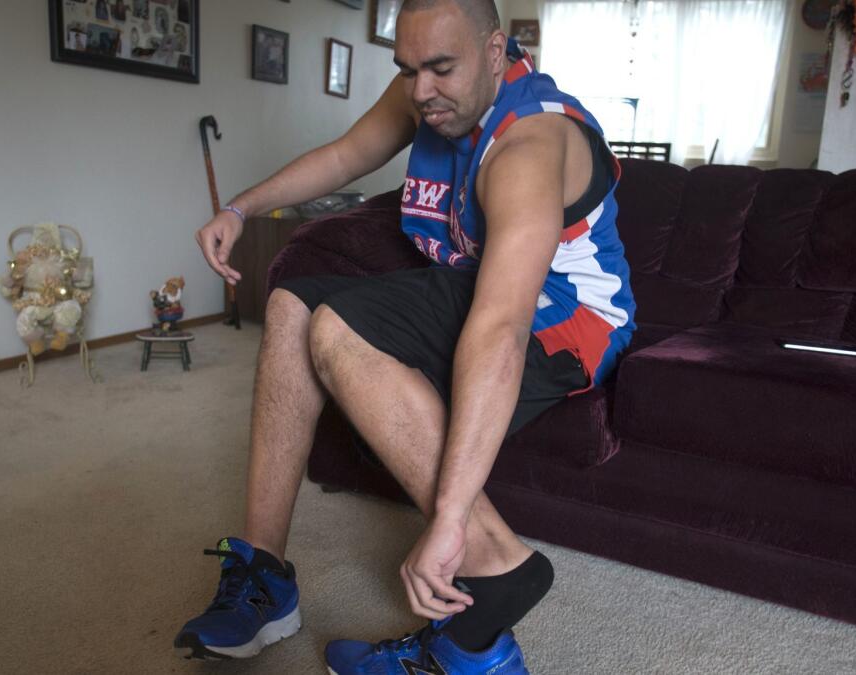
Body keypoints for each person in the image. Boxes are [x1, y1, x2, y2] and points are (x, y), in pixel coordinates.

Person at [176, 0, 637, 672]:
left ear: (495, 50)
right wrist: (239, 207)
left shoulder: (531, 143)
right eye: (408, 68)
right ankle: (266, 576)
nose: (420, 90)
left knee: (337, 329)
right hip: (474, 288)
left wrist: (448, 521)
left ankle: (492, 560)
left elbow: (501, 328)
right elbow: (343, 156)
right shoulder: (428, 92)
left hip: (561, 320)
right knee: (290, 305)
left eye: (441, 68)